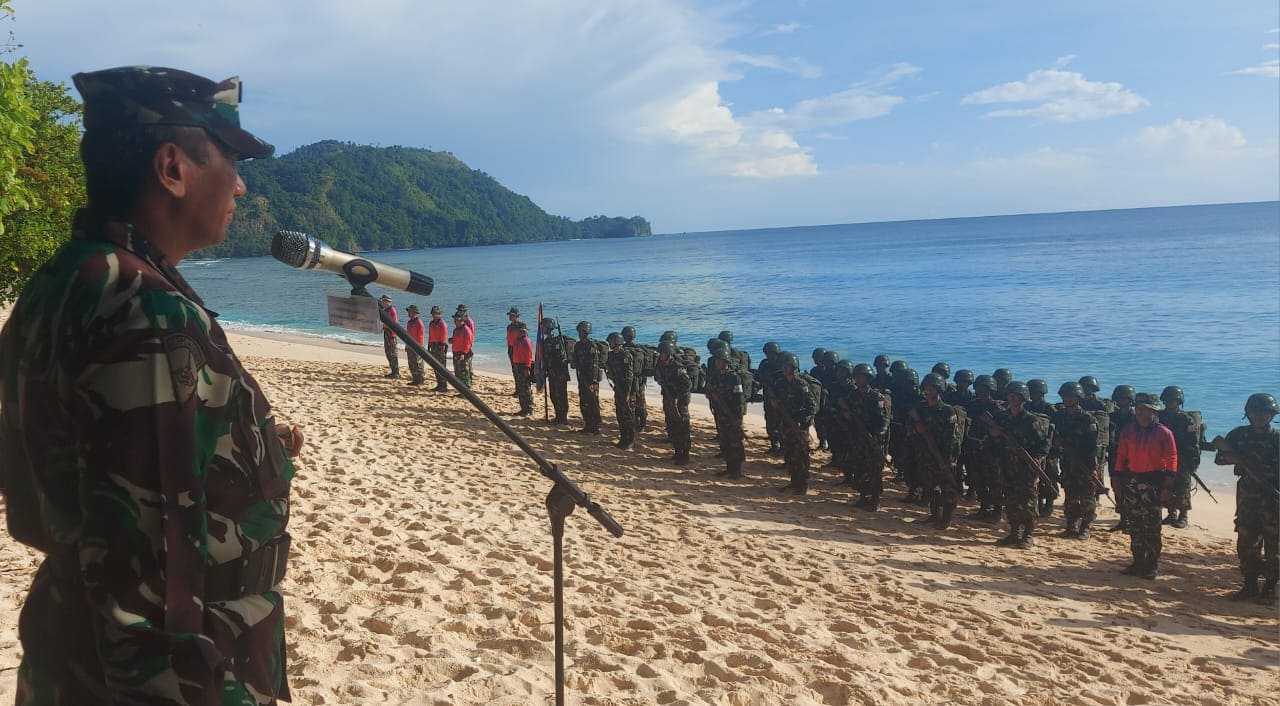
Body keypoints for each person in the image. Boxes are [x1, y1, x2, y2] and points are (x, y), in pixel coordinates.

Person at [0, 66, 302, 703]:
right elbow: (150, 592)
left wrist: (241, 443)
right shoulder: (147, 311)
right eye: (231, 160)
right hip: (163, 674)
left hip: (67, 657)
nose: (242, 185)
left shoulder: (59, 285)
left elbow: (61, 479)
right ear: (173, 167)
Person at [1214, 393, 1279, 603]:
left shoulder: (1277, 438)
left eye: (1265, 412)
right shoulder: (1238, 435)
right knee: (1247, 543)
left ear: (1272, 414)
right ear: (1248, 414)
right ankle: (1250, 585)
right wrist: (1232, 458)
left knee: (1274, 546)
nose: (1260, 416)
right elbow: (1219, 459)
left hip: (1273, 498)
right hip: (1247, 497)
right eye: (1255, 412)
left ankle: (1269, 588)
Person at [1113, 392, 1177, 579]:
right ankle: (1137, 561)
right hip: (1132, 480)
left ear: (1153, 411)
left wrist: (1168, 484)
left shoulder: (1164, 433)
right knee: (1134, 524)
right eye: (1137, 408)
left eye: (1143, 409)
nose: (1139, 412)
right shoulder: (1128, 430)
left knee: (1151, 525)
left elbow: (1172, 458)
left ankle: (1151, 564)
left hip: (1154, 481)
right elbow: (1122, 454)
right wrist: (1116, 475)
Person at [988, 382, 1051, 549]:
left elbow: (1044, 444)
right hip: (1006, 463)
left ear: (1023, 398)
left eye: (1015, 395)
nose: (1012, 398)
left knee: (1028, 499)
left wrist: (1037, 459)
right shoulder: (1003, 417)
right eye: (1010, 395)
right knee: (1010, 499)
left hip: (1025, 465)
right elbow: (993, 435)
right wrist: (994, 434)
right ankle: (1014, 533)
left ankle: (1028, 534)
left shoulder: (1031, 420)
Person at [1054, 382, 1102, 539]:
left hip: (1085, 462)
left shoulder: (1088, 419)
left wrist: (1092, 466)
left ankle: (1086, 526)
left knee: (1087, 494)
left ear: (1078, 398)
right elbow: (1055, 436)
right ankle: (1072, 524)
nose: (1067, 399)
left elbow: (1094, 445)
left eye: (1071, 396)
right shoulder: (1060, 416)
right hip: (1067, 461)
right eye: (1065, 396)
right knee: (1070, 492)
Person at [842, 363, 892, 510]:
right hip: (857, 439)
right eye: (856, 377)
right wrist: (846, 415)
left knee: (874, 470)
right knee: (859, 468)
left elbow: (884, 421)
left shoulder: (876, 397)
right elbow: (847, 415)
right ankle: (863, 497)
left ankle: (875, 499)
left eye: (861, 377)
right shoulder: (852, 395)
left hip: (873, 439)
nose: (858, 380)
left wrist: (877, 437)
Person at [913, 374, 960, 529]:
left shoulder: (948, 411)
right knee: (929, 485)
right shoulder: (921, 408)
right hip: (925, 453)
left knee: (947, 487)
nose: (928, 391)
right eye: (926, 388)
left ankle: (945, 518)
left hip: (943, 454)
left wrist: (949, 459)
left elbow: (953, 438)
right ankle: (934, 515)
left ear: (938, 390)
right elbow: (911, 425)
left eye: (931, 389)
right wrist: (917, 428)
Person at [1158, 386, 1204, 529]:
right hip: (1164, 457)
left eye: (1174, 400)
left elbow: (1192, 441)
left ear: (1179, 401)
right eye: (1168, 400)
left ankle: (1183, 516)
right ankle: (1171, 513)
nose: (1170, 402)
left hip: (1182, 457)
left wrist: (1193, 462)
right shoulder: (1160, 416)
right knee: (1166, 484)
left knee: (1183, 487)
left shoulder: (1185, 418)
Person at [777, 352, 819, 495]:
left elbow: (812, 407)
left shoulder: (801, 384)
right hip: (786, 424)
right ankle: (794, 481)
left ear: (793, 367)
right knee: (789, 454)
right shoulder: (781, 383)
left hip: (799, 426)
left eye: (786, 366)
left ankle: (802, 484)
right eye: (783, 366)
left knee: (801, 455)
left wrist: (801, 422)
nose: (783, 369)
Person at [707, 347, 747, 478]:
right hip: (720, 414)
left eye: (720, 361)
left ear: (726, 362)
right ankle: (729, 467)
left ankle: (736, 470)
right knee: (724, 442)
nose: (717, 363)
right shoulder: (716, 376)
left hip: (732, 414)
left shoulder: (734, 378)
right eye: (716, 361)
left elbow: (739, 399)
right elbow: (710, 391)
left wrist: (736, 416)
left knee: (735, 442)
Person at [654, 341, 692, 465]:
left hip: (679, 401)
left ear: (669, 354)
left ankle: (685, 455)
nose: (660, 355)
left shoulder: (677, 366)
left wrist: (676, 396)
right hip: (668, 399)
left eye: (663, 353)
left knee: (683, 427)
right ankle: (677, 452)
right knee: (672, 425)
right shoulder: (660, 365)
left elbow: (687, 385)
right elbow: (657, 376)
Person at [605, 332, 637, 448]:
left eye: (611, 342)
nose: (609, 344)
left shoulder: (626, 356)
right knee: (620, 414)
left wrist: (628, 393)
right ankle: (623, 438)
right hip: (618, 388)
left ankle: (630, 440)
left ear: (617, 342)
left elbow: (629, 376)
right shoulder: (611, 355)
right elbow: (609, 370)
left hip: (627, 389)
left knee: (628, 415)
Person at [571, 321, 603, 434]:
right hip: (581, 377)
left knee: (593, 402)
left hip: (591, 379)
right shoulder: (578, 345)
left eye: (582, 331)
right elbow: (574, 360)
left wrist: (592, 381)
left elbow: (594, 364)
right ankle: (587, 425)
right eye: (579, 331)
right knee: (583, 402)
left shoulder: (592, 345)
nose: (580, 333)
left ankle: (595, 427)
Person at [539, 317, 573, 425]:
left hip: (560, 374)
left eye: (543, 327)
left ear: (548, 327)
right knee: (553, 395)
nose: (542, 329)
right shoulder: (545, 342)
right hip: (552, 373)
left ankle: (563, 418)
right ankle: (558, 416)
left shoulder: (558, 341)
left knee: (561, 395)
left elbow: (560, 359)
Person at [511, 322, 535, 416]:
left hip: (524, 366)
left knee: (526, 388)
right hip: (518, 365)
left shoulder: (526, 341)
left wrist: (527, 367)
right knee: (521, 388)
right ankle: (523, 408)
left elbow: (529, 356)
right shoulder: (517, 340)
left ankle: (528, 408)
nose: (515, 332)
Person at [427, 305, 450, 392]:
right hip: (433, 345)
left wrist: (442, 348)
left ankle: (443, 385)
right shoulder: (431, 323)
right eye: (433, 314)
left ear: (439, 314)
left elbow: (443, 337)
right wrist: (429, 344)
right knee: (435, 366)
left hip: (440, 346)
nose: (434, 315)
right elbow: (430, 334)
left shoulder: (442, 324)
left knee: (441, 366)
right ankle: (439, 384)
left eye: (436, 313)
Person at [450, 309, 475, 390]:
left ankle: (466, 389)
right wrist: (452, 340)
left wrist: (463, 353)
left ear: (462, 320)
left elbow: (467, 343)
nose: (455, 321)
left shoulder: (466, 330)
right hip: (456, 352)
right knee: (458, 372)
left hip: (463, 354)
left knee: (464, 372)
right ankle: (461, 389)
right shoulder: (456, 329)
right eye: (455, 319)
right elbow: (456, 339)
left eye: (457, 319)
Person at [404, 304, 426, 386]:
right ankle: (415, 379)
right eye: (408, 312)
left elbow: (420, 336)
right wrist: (407, 345)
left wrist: (418, 347)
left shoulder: (419, 323)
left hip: (416, 346)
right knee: (411, 363)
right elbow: (407, 335)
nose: (408, 313)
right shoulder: (409, 322)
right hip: (410, 345)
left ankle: (420, 380)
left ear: (414, 313)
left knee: (418, 363)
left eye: (410, 312)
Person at [380, 293, 400, 377]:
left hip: (391, 334)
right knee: (388, 352)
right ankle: (393, 371)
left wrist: (392, 335)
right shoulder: (386, 310)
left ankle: (396, 372)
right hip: (386, 332)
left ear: (387, 302)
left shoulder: (392, 311)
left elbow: (394, 324)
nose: (382, 303)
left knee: (392, 353)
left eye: (384, 301)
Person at [506, 307, 523, 396]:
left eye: (512, 315)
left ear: (516, 316)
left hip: (519, 350)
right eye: (510, 315)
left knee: (519, 370)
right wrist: (509, 349)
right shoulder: (509, 327)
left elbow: (525, 339)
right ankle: (517, 389)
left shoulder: (521, 326)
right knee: (514, 370)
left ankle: (521, 389)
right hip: (511, 349)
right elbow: (508, 339)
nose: (510, 317)